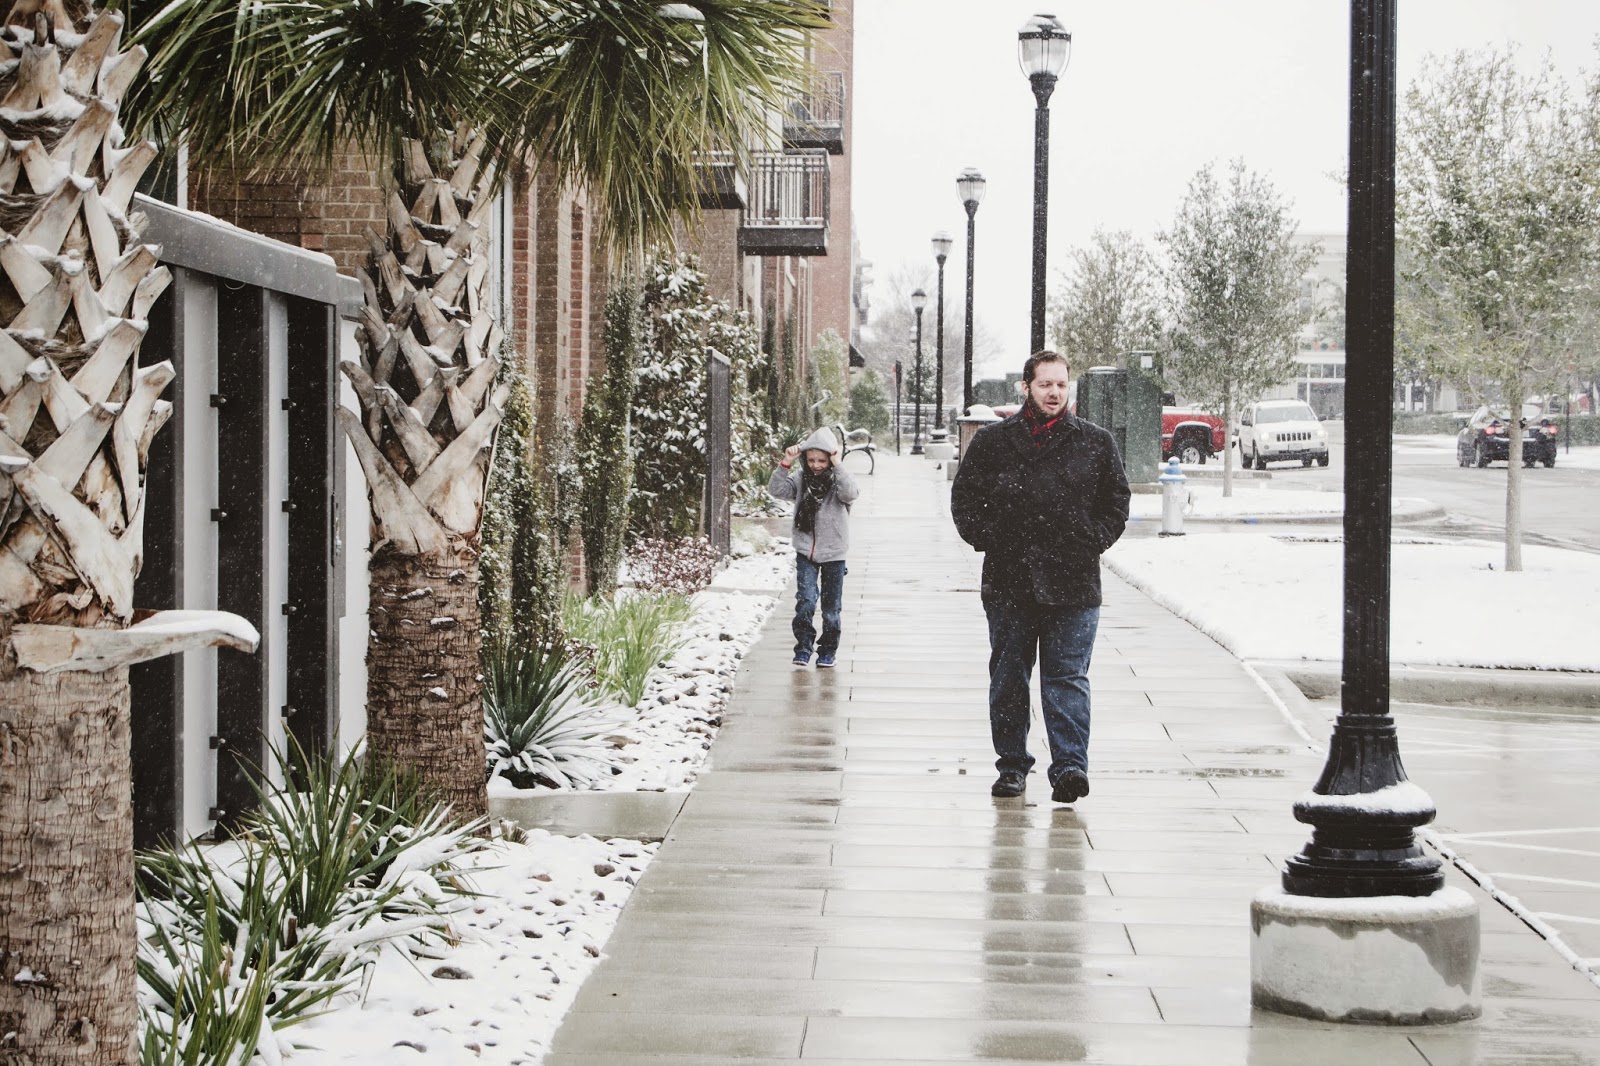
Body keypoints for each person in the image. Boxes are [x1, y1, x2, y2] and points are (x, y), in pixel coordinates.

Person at [950, 351, 1131, 804]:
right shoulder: (993, 442)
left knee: (1066, 679)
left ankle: (1070, 767)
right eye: (1045, 384)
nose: (1054, 393)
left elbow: (1116, 501)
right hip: (1010, 581)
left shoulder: (1095, 442)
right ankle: (1012, 766)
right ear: (1026, 387)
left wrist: (1092, 539)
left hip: (1074, 583)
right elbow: (965, 500)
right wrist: (990, 537)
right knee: (1009, 678)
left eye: (1061, 385)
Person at [767, 427, 860, 668]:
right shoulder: (801, 479)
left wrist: (838, 465)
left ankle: (828, 650)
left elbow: (851, 494)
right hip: (805, 551)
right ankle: (803, 647)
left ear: (830, 459)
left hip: (834, 553)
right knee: (806, 601)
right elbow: (776, 490)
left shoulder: (839, 479)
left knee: (831, 608)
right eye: (811, 460)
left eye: (821, 460)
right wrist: (786, 463)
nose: (816, 465)